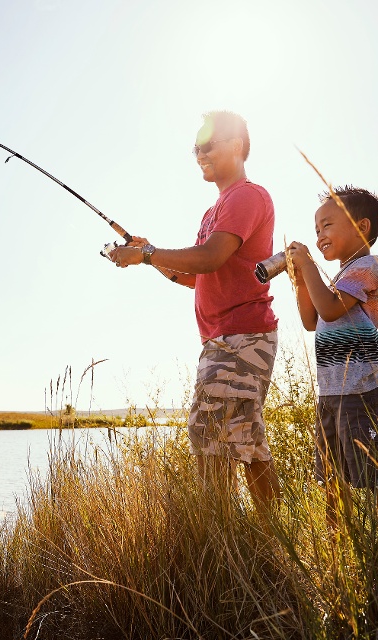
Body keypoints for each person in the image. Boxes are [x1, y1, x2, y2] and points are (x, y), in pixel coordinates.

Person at [110, 110, 281, 513]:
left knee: (211, 435)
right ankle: (266, 537)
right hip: (224, 339)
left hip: (241, 335)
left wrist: (147, 254)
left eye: (208, 145)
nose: (199, 153)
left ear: (236, 146)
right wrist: (148, 255)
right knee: (241, 437)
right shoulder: (216, 209)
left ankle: (231, 537)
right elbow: (199, 274)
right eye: (195, 148)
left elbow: (208, 258)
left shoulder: (247, 196)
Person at [287, 187, 378, 527]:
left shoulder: (367, 267)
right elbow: (312, 320)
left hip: (362, 395)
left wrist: (308, 264)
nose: (320, 235)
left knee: (370, 476)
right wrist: (300, 281)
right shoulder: (339, 277)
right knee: (332, 479)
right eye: (316, 230)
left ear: (362, 226)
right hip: (331, 396)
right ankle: (338, 548)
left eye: (327, 225)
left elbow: (329, 308)